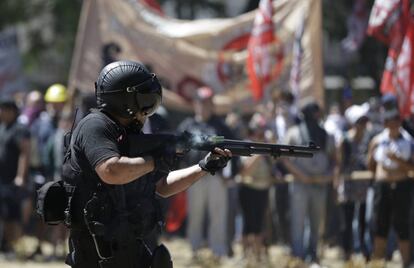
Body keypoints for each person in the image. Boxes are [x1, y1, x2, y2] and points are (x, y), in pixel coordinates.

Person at [61, 60, 232, 268]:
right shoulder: (95, 126)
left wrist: (203, 167)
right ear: (125, 99)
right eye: (145, 99)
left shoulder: (128, 135)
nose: (148, 108)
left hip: (126, 241)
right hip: (97, 248)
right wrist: (154, 161)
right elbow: (110, 170)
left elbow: (162, 186)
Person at [177, 86, 236, 263]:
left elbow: (233, 151)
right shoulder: (187, 125)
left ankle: (217, 252)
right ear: (196, 104)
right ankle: (194, 250)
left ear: (212, 104)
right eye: (201, 103)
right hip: (193, 175)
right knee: (195, 214)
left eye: (207, 103)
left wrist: (228, 173)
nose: (203, 106)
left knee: (218, 215)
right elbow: (177, 150)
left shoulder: (221, 126)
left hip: (216, 177)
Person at [282, 98, 336, 264]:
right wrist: (301, 175)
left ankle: (313, 255)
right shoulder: (293, 132)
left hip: (319, 184)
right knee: (298, 221)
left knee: (316, 221)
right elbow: (284, 157)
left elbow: (334, 159)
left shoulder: (326, 134)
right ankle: (298, 257)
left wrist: (327, 175)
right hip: (300, 183)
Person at [367, 106, 414, 267]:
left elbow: (412, 168)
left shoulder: (408, 141)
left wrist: (397, 160)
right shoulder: (377, 140)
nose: (392, 124)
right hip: (383, 186)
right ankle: (378, 263)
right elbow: (371, 165)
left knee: (402, 226)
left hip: (402, 186)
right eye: (389, 121)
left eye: (395, 121)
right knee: (380, 225)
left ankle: (405, 263)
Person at [335, 103, 372, 261]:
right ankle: (346, 252)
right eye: (360, 121)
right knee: (347, 221)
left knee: (363, 220)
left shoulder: (369, 139)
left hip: (363, 186)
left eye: (364, 121)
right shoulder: (345, 140)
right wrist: (336, 186)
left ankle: (363, 250)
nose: (363, 125)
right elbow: (339, 164)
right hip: (348, 185)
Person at [0, 99, 31, 256]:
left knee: (13, 215)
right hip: (2, 180)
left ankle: (13, 247)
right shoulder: (3, 127)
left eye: (3, 110)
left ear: (11, 111)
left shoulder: (20, 129)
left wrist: (20, 176)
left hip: (13, 181)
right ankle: (4, 245)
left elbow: (24, 153)